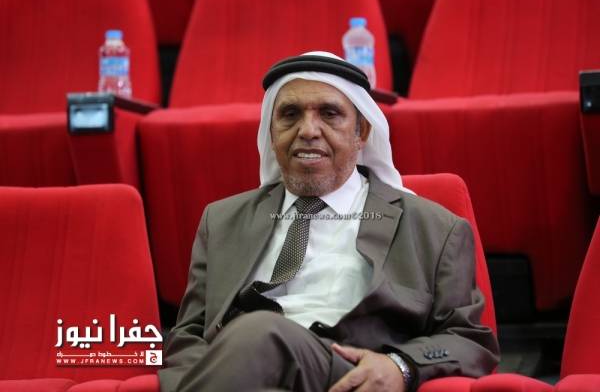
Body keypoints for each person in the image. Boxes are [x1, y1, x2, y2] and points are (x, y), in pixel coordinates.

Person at [159, 51, 500, 392]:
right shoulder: (221, 221)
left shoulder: (433, 227)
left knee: (259, 331)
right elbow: (189, 334)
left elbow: (469, 340)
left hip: (346, 373)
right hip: (245, 374)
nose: (308, 130)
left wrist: (400, 365)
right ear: (271, 134)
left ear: (361, 132)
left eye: (329, 114)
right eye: (290, 115)